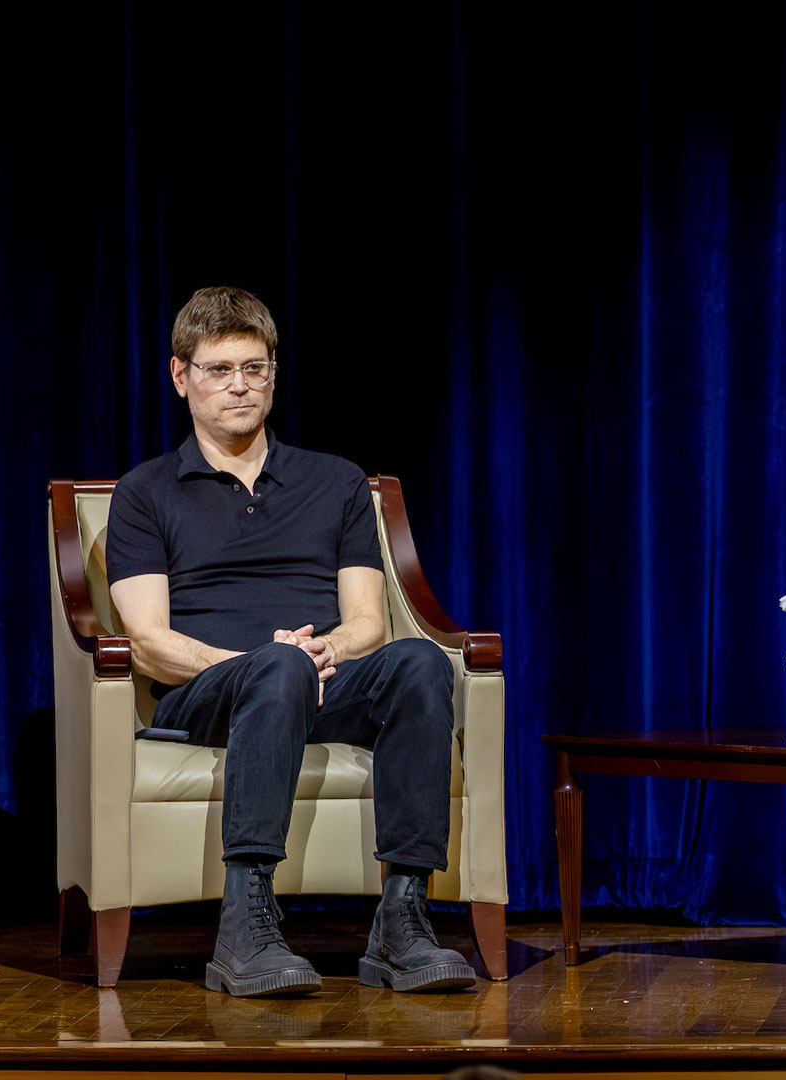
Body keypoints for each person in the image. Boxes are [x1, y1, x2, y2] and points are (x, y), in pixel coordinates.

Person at [107, 286, 475, 997]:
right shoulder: (146, 492)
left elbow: (369, 619)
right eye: (219, 370)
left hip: (317, 678)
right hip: (205, 696)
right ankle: (244, 928)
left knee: (420, 663)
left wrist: (326, 653)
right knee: (276, 668)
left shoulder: (334, 482)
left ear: (275, 372)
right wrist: (264, 663)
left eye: (255, 367)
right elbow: (148, 642)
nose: (240, 386)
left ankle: (403, 921)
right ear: (181, 376)